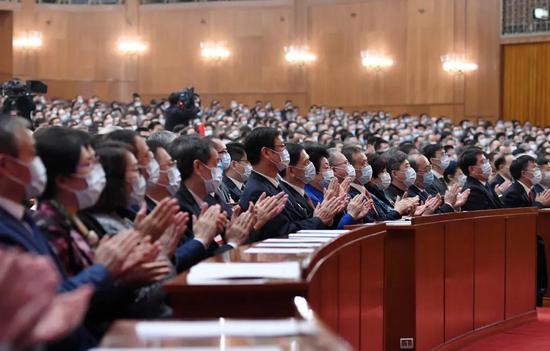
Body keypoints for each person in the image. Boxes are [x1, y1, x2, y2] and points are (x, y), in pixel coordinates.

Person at [239, 128, 328, 241]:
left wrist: (324, 211)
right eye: (281, 146)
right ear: (266, 152)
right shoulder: (258, 191)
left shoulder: (275, 183)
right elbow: (282, 232)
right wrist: (318, 219)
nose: (285, 152)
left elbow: (298, 219)